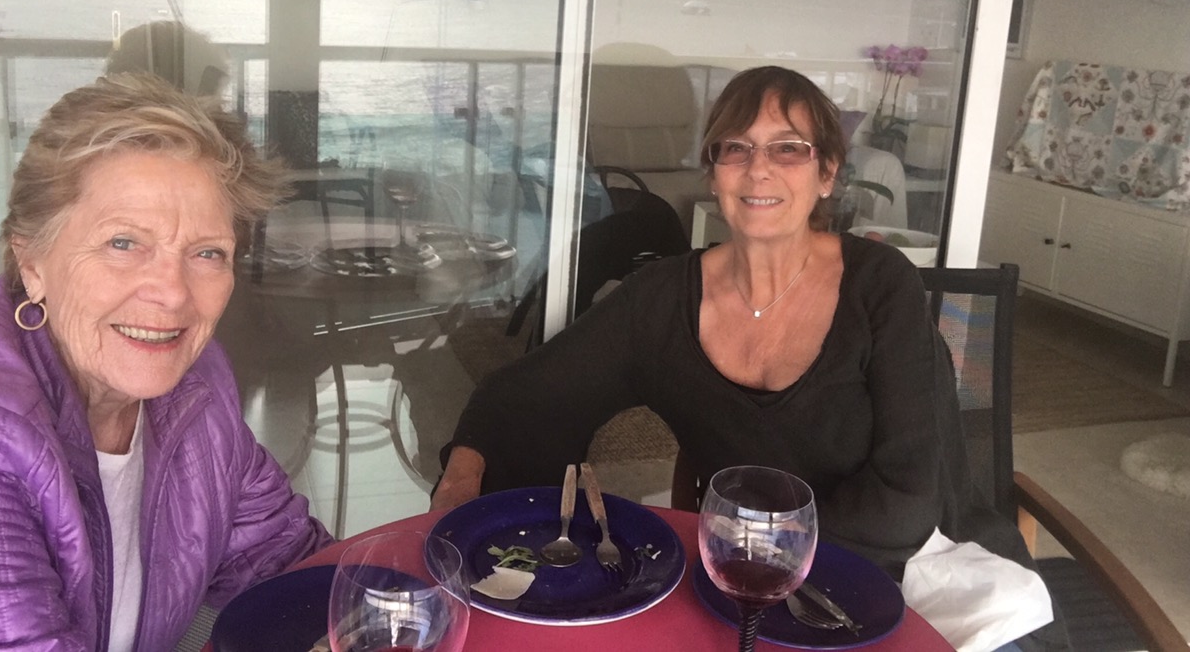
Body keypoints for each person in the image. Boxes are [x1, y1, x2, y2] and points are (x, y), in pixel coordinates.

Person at [432, 65, 1049, 602]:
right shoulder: (661, 298)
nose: (759, 169)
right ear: (714, 172)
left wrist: (739, 544)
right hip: (744, 582)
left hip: (924, 576)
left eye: (788, 149)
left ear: (827, 172)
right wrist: (462, 479)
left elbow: (906, 504)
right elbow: (525, 396)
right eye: (737, 148)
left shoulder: (879, 285)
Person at [0, 73, 331, 651]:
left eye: (207, 252)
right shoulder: (0, 438)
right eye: (123, 243)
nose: (172, 294)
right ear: (32, 263)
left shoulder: (197, 390)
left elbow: (289, 564)